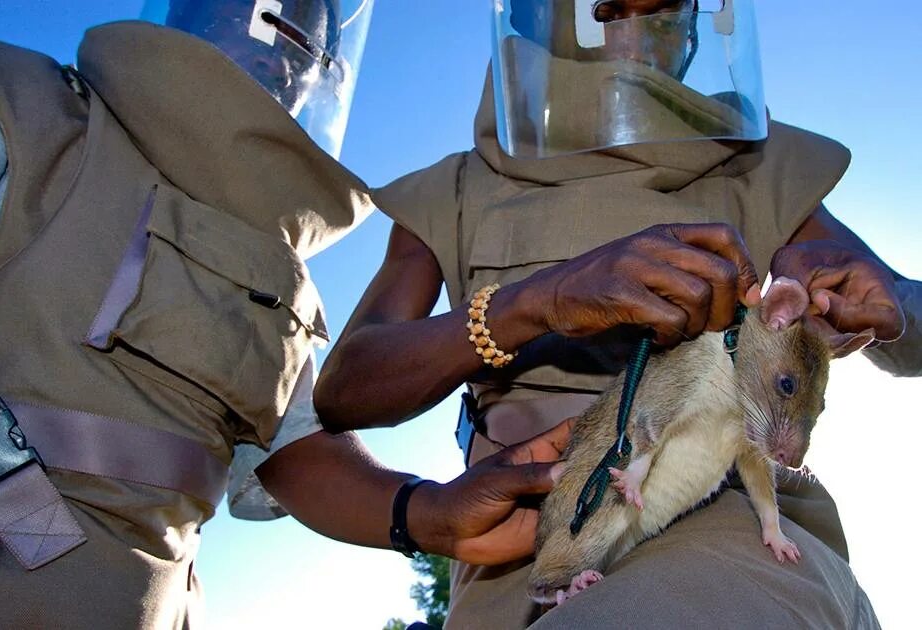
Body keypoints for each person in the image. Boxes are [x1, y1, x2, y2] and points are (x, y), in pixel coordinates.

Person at [315, 0, 920, 628]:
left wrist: (894, 306)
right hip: (516, 537)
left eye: (669, 15)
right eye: (612, 10)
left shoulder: (752, 158)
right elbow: (344, 391)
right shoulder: (458, 187)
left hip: (717, 509)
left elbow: (910, 325)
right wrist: (540, 301)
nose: (646, 34)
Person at [0, 1, 577, 626]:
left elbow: (293, 454)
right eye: (262, 18)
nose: (283, 58)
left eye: (305, 50)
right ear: (187, 16)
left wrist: (433, 515)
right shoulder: (23, 112)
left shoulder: (281, 281)